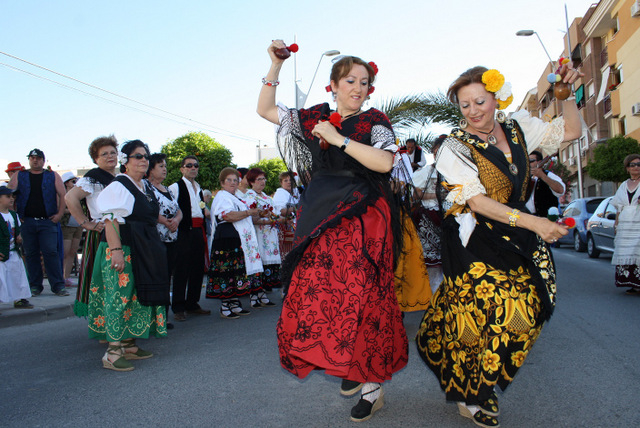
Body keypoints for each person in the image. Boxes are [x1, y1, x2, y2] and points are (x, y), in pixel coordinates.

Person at [415, 65, 582, 427]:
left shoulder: (519, 129)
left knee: (529, 311)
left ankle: (450, 346)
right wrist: (538, 222)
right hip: (474, 237)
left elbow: (570, 131)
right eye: (465, 105)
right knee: (483, 318)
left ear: (495, 98)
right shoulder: (453, 148)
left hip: (516, 233)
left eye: (480, 101)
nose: (474, 111)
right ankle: (476, 393)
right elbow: (477, 203)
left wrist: (568, 96)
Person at [257, 40, 408, 422]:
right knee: (315, 289)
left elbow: (386, 162)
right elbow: (265, 109)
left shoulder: (374, 121)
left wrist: (341, 139)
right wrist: (274, 65)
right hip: (320, 209)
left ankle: (370, 386)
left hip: (363, 211)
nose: (358, 88)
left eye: (364, 82)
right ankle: (346, 364)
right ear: (334, 84)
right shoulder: (312, 117)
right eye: (350, 80)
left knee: (362, 294)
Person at [88, 140, 168, 371]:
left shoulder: (144, 186)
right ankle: (112, 353)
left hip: (141, 248)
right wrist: (116, 252)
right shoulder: (119, 185)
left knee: (135, 296)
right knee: (119, 297)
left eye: (146, 156)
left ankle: (128, 344)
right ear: (126, 161)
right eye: (137, 156)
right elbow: (111, 219)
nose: (143, 160)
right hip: (122, 249)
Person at [65, 135, 118, 316]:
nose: (110, 156)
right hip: (101, 233)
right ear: (96, 159)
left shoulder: (118, 177)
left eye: (112, 152)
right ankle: (101, 322)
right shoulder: (93, 177)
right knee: (100, 279)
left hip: (118, 232)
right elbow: (70, 198)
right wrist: (86, 223)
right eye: (104, 154)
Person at [8, 149, 68, 297]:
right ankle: (35, 286)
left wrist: (60, 214)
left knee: (51, 253)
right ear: (29, 160)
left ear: (44, 160)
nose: (35, 160)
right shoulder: (19, 175)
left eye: (39, 158)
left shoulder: (52, 175)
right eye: (32, 158)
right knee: (30, 254)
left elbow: (63, 194)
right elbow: (8, 194)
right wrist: (15, 216)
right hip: (27, 221)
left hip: (47, 221)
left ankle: (58, 286)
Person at [206, 167, 264, 318]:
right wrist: (248, 212)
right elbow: (227, 215)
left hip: (235, 239)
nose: (232, 183)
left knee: (235, 271)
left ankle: (234, 302)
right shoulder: (222, 197)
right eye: (229, 180)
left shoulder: (235, 198)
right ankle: (225, 306)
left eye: (235, 180)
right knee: (226, 272)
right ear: (222, 182)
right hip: (225, 239)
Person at [168, 155, 211, 322]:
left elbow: (200, 209)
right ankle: (178, 306)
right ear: (182, 169)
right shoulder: (175, 187)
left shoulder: (198, 187)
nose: (193, 168)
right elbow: (171, 208)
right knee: (181, 268)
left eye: (196, 165)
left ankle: (192, 303)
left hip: (198, 230)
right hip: (184, 230)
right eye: (189, 165)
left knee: (197, 267)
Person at [147, 153, 182, 328]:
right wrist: (164, 221)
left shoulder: (167, 189)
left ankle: (163, 317)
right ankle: (153, 317)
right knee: (157, 277)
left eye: (165, 166)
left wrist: (176, 220)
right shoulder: (146, 187)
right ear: (151, 169)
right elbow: (148, 210)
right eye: (160, 166)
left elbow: (179, 210)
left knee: (167, 277)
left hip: (172, 238)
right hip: (156, 239)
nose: (165, 169)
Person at [411, 135, 447, 293]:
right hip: (429, 221)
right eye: (436, 153)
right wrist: (439, 195)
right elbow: (416, 195)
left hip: (452, 221)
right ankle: (434, 300)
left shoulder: (463, 173)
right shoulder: (426, 172)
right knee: (432, 266)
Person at [244, 167, 281, 299]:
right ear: (251, 182)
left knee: (269, 265)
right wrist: (267, 220)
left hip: (270, 235)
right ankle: (256, 294)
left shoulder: (267, 197)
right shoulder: (249, 197)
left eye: (264, 179)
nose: (262, 182)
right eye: (259, 179)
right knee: (259, 264)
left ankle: (263, 293)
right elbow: (251, 219)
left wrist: (278, 218)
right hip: (258, 235)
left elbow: (275, 214)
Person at [0, 186, 33, 309]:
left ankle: (19, 298)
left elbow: (17, 231)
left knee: (17, 275)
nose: (12, 199)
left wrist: (19, 237)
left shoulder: (14, 215)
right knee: (1, 278)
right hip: (2, 252)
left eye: (12, 196)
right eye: (8, 196)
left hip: (13, 251)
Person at [611, 154, 640, 294]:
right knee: (627, 251)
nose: (636, 167)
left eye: (639, 164)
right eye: (632, 165)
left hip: (638, 223)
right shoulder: (623, 185)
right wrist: (616, 224)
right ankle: (633, 284)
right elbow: (618, 207)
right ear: (627, 168)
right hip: (625, 225)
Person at [526, 150, 566, 217]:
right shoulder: (525, 178)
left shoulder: (549, 175)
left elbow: (560, 190)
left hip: (548, 219)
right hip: (530, 219)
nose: (528, 163)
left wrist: (542, 176)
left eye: (531, 161)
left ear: (539, 162)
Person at [60, 172, 83, 287]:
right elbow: (60, 210)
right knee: (65, 252)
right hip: (66, 226)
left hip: (77, 225)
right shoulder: (62, 195)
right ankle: (61, 277)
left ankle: (67, 277)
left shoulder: (79, 194)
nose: (75, 183)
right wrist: (73, 210)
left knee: (73, 252)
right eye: (73, 181)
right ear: (66, 183)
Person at [272, 171, 299, 260]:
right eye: (285, 180)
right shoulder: (280, 193)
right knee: (287, 254)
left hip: (295, 227)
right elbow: (281, 211)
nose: (289, 182)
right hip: (285, 227)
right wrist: (297, 208)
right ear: (281, 183)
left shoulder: (296, 192)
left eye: (291, 180)